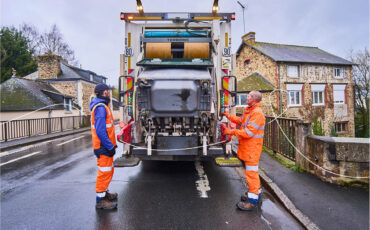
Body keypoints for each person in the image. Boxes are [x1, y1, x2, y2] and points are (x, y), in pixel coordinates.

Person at [222, 90, 265, 211]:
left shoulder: (257, 114)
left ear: (255, 99)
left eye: (249, 96)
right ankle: (256, 194)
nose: (247, 98)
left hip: (252, 149)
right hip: (249, 148)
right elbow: (240, 121)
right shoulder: (250, 111)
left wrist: (231, 132)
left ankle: (251, 202)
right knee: (252, 174)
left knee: (251, 175)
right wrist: (227, 115)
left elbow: (248, 133)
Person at [90, 83, 118, 209]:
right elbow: (101, 131)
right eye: (107, 91)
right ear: (103, 93)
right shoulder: (101, 108)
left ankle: (104, 193)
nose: (109, 93)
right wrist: (109, 146)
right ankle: (100, 200)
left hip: (104, 146)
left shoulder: (102, 106)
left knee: (107, 171)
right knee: (104, 172)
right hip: (103, 146)